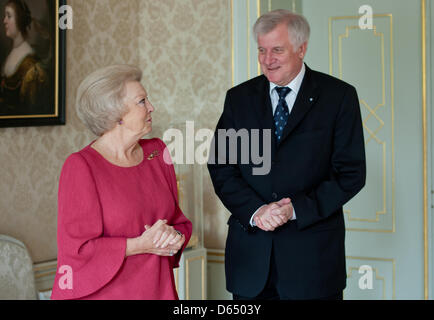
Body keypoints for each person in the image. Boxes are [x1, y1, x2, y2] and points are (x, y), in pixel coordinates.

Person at [208, 9, 366, 300]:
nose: (268, 60)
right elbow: (222, 167)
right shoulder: (238, 98)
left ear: (302, 48)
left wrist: (296, 209)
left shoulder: (339, 97)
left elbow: (351, 173)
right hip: (251, 262)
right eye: (262, 50)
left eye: (277, 50)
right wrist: (256, 211)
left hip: (313, 263)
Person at [51, 65, 192, 300]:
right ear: (115, 114)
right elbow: (77, 251)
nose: (151, 107)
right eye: (142, 101)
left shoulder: (157, 153)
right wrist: (139, 244)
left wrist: (173, 236)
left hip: (159, 290)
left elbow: (180, 222)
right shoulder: (81, 166)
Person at [0, 0, 48, 115]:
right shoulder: (11, 52)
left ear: (19, 20)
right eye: (4, 16)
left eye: (9, 16)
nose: (4, 21)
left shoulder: (30, 62)